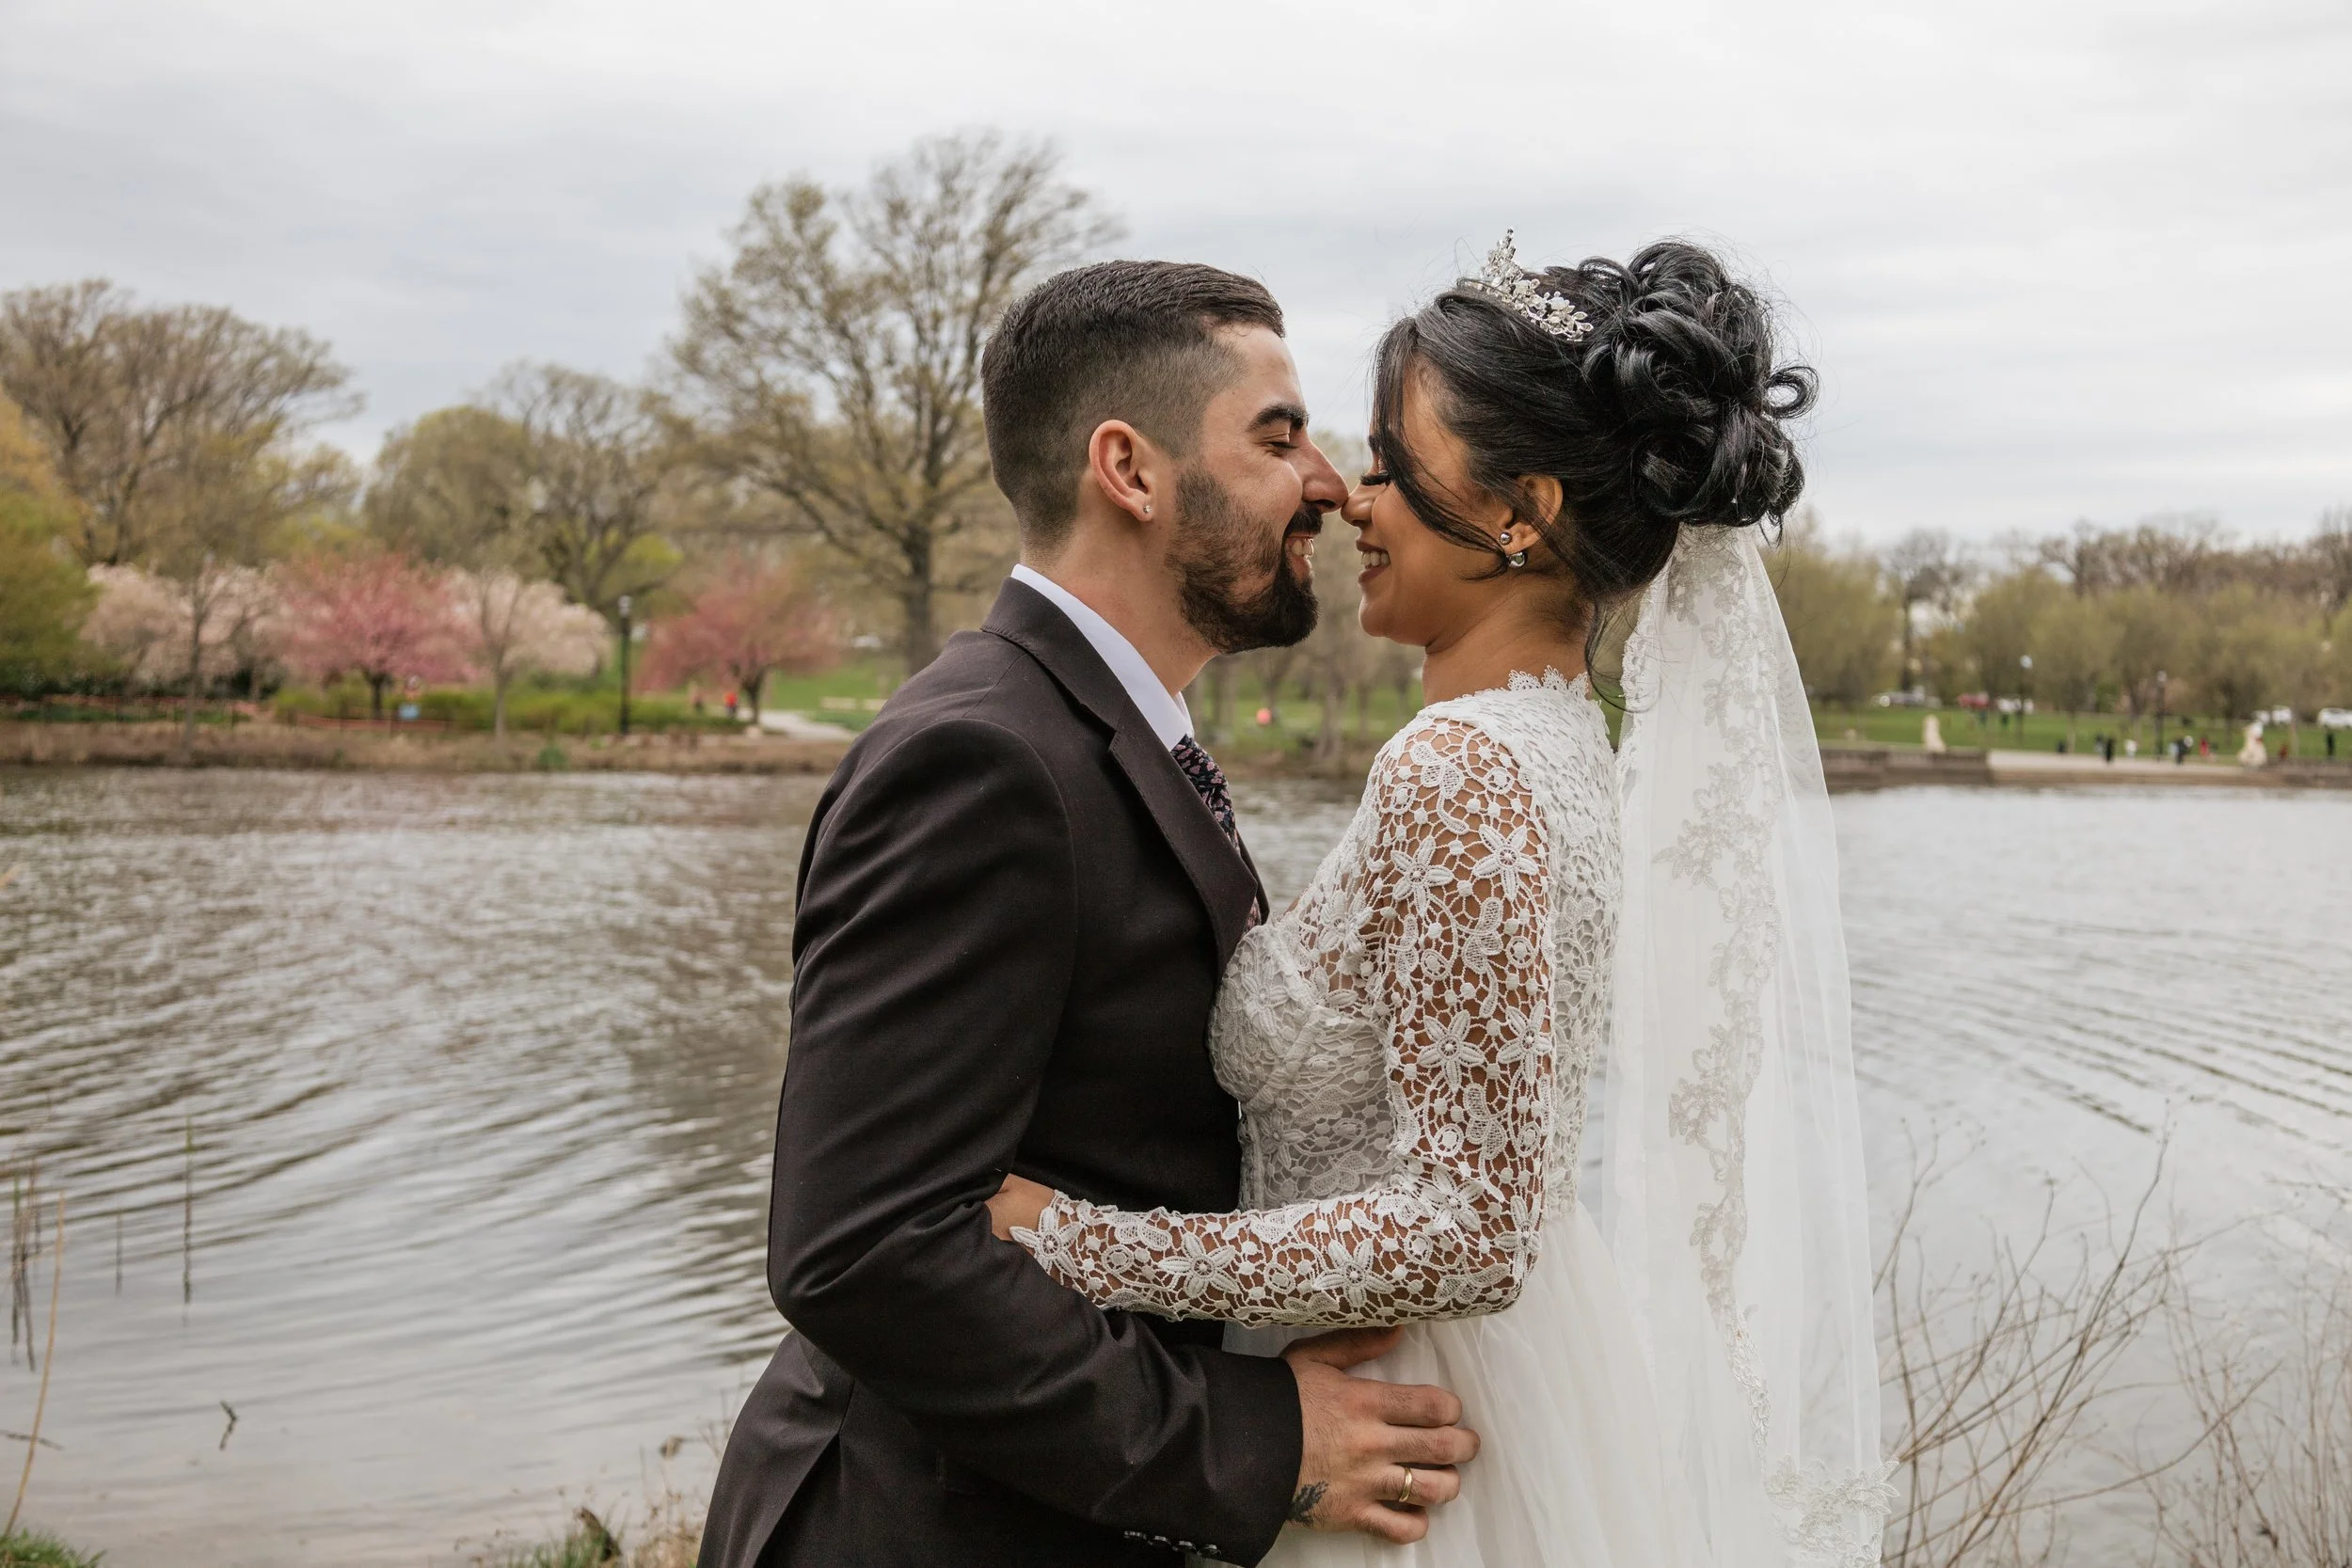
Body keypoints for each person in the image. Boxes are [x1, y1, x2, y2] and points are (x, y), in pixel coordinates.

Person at [990, 238, 1887, 1565]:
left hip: (1403, 1435)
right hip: (1485, 1388)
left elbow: (1468, 1227)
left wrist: (1081, 1245)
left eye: (1398, 471)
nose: (1357, 501)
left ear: (1521, 509)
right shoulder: (1563, 741)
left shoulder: (1461, 767)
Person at [698, 262, 1480, 1568]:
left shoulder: (1111, 729)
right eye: (1279, 436)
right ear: (1131, 468)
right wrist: (1255, 1441)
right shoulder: (982, 759)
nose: (1332, 483)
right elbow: (862, 1246)